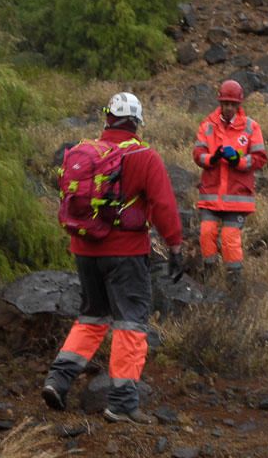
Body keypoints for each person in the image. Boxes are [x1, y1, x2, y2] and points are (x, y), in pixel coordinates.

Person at [42, 92, 184, 424]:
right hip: (126, 253)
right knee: (130, 324)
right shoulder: (144, 157)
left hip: (84, 250)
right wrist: (175, 247)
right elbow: (163, 207)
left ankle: (58, 380)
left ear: (107, 119)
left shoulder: (84, 152)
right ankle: (121, 403)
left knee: (91, 318)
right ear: (136, 122)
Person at [192, 80, 268, 285]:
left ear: (239, 105)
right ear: (220, 102)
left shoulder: (251, 127)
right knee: (206, 233)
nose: (228, 108)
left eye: (232, 104)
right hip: (211, 194)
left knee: (229, 238)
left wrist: (238, 161)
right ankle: (209, 275)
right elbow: (197, 154)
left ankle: (234, 283)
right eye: (225, 103)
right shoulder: (207, 125)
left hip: (237, 196)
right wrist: (212, 159)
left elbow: (260, 158)